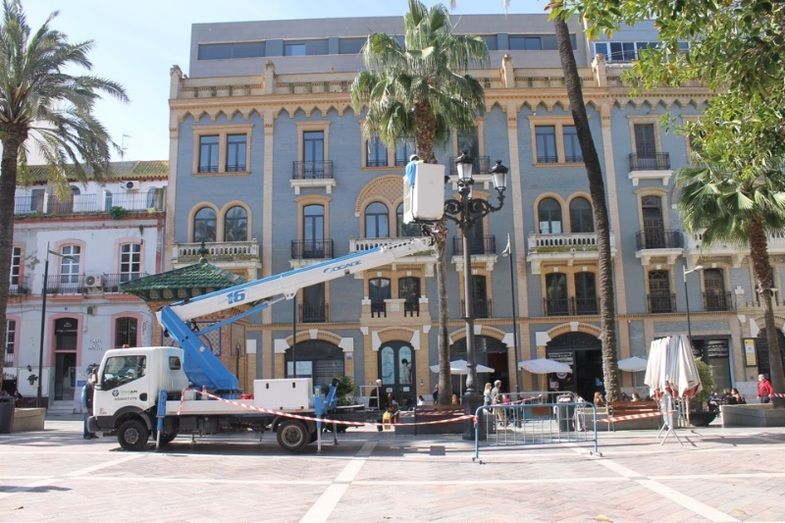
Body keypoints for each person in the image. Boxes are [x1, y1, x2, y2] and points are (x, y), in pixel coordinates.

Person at [81, 366, 98, 439]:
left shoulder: (94, 387)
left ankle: (92, 434)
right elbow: (83, 397)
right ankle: (86, 434)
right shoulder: (86, 387)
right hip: (87, 407)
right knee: (87, 421)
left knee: (93, 421)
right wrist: (84, 407)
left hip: (93, 407)